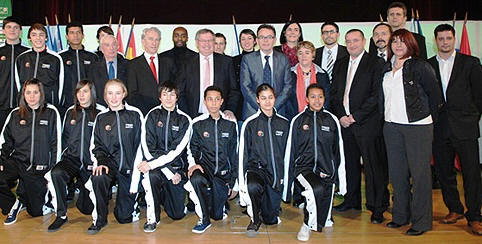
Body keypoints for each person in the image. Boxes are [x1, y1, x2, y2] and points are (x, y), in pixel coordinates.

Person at [381, 29, 443, 236]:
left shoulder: (420, 66)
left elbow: (436, 97)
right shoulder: (386, 68)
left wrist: (426, 119)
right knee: (397, 174)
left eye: (402, 42)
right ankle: (400, 216)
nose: (398, 45)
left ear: (411, 44)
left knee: (420, 176)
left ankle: (422, 222)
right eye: (395, 41)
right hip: (391, 127)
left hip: (417, 127)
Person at [428, 24, 482, 235]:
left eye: (448, 38)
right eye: (440, 39)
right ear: (435, 41)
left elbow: (479, 95)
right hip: (439, 128)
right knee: (444, 172)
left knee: (471, 173)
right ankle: (454, 209)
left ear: (454, 39)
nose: (444, 42)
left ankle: (475, 216)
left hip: (465, 127)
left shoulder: (470, 63)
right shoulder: (428, 65)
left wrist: (471, 118)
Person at [330, 29, 389, 224]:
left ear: (364, 41)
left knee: (373, 168)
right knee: (350, 165)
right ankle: (352, 200)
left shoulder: (376, 63)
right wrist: (342, 116)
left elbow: (376, 95)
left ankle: (377, 206)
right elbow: (335, 93)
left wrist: (355, 116)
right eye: (348, 41)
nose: (352, 44)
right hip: (345, 124)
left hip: (367, 124)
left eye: (355, 40)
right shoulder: (340, 63)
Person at [283, 83, 346, 242]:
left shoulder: (332, 120)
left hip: (326, 167)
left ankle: (323, 219)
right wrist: (288, 183)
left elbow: (338, 151)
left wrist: (341, 180)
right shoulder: (298, 120)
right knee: (314, 189)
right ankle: (306, 224)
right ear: (306, 99)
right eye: (313, 97)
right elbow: (290, 149)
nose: (317, 100)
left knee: (325, 197)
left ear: (324, 98)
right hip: (304, 167)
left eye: (320, 97)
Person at [84, 79, 143, 234]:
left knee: (124, 218)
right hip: (109, 164)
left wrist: (136, 175)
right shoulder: (101, 117)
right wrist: (101, 162)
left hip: (130, 167)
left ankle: (132, 205)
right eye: (110, 93)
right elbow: (96, 146)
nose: (114, 97)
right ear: (105, 96)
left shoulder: (135, 115)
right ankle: (99, 219)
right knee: (99, 176)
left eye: (118, 93)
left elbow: (141, 146)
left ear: (124, 94)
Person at [45, 80, 105, 232]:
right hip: (71, 159)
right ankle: (61, 215)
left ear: (92, 92)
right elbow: (63, 138)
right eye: (79, 92)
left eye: (85, 91)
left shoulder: (101, 112)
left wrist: (97, 160)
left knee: (86, 208)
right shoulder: (70, 112)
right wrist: (60, 160)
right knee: (56, 173)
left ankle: (97, 213)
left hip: (91, 161)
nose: (82, 95)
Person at [0, 78, 61, 224]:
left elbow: (56, 144)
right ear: (23, 94)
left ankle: (24, 196)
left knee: (36, 211)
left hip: (38, 168)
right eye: (28, 92)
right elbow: (5, 141)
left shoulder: (51, 113)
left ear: (41, 94)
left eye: (35, 92)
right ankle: (12, 205)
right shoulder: (15, 114)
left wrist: (51, 171)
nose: (32, 96)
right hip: (18, 162)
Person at [184, 86, 238, 234]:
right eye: (210, 99)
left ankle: (217, 206)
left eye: (216, 99)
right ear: (205, 102)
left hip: (222, 174)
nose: (213, 103)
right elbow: (191, 148)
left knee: (218, 216)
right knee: (195, 179)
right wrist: (193, 165)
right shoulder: (197, 123)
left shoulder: (230, 125)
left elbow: (235, 153)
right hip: (204, 170)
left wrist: (234, 183)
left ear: (221, 102)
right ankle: (203, 219)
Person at [139, 82, 192, 232]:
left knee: (177, 214)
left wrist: (170, 171)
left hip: (176, 168)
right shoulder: (151, 115)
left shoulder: (185, 120)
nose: (168, 98)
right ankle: (152, 218)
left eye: (172, 94)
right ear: (159, 97)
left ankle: (162, 195)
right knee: (150, 176)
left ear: (177, 98)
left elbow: (177, 150)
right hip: (158, 167)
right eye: (165, 94)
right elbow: (147, 147)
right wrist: (167, 172)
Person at [238, 84, 289, 237]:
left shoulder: (284, 123)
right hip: (256, 170)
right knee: (253, 186)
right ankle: (254, 218)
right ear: (257, 100)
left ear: (275, 98)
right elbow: (243, 155)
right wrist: (241, 186)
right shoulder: (250, 123)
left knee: (270, 219)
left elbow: (288, 154)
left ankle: (266, 211)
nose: (267, 102)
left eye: (270, 97)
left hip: (275, 174)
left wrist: (286, 182)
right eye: (263, 98)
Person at [178, 29, 241, 120]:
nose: (207, 44)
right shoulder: (186, 62)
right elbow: (180, 91)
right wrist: (186, 114)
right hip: (193, 116)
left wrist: (229, 109)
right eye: (203, 41)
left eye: (210, 41)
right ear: (197, 43)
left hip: (221, 116)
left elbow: (234, 90)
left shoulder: (226, 62)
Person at [240, 24, 293, 120]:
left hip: (278, 111)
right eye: (262, 37)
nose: (265, 40)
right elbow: (245, 86)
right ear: (257, 40)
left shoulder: (283, 59)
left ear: (274, 40)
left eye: (269, 37)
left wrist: (273, 107)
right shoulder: (247, 59)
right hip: (253, 111)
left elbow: (287, 86)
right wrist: (262, 107)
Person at [126, 27, 177, 115]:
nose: (154, 43)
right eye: (151, 39)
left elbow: (174, 87)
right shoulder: (133, 65)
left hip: (167, 112)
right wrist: (150, 112)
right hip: (144, 113)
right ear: (143, 41)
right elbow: (132, 94)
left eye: (157, 40)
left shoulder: (168, 62)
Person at [15, 23, 64, 108]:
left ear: (46, 38)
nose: (38, 38)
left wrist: (55, 104)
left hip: (48, 105)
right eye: (34, 35)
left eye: (41, 35)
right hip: (26, 107)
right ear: (29, 38)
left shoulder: (56, 58)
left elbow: (61, 85)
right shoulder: (21, 58)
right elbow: (18, 85)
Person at [59, 21, 99, 116]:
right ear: (67, 36)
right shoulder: (60, 57)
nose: (75, 35)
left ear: (83, 35)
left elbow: (97, 80)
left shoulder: (93, 57)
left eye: (78, 32)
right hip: (67, 104)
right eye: (72, 33)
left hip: (90, 104)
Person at [0, 16, 29, 130]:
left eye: (16, 27)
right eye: (9, 27)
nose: (12, 30)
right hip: (1, 105)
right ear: (3, 31)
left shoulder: (28, 54)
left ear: (20, 31)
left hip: (23, 106)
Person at [87, 34, 128, 106]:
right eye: (107, 45)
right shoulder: (93, 68)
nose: (111, 48)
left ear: (118, 47)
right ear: (101, 49)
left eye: (114, 44)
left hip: (123, 109)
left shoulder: (128, 65)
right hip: (101, 108)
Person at [290, 41, 330, 112]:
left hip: (318, 116)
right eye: (300, 53)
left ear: (313, 55)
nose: (303, 56)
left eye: (307, 53)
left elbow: (326, 98)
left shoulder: (322, 74)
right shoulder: (289, 74)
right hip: (293, 116)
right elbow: (288, 99)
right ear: (297, 56)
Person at [232, 29, 256, 119]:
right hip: (239, 103)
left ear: (255, 41)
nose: (246, 42)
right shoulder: (233, 61)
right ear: (239, 42)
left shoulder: (261, 59)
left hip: (255, 101)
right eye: (243, 39)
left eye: (249, 38)